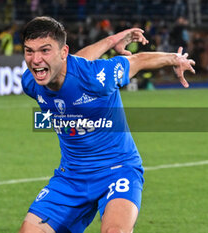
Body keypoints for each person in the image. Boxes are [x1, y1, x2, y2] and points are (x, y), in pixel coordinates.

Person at [19, 16, 195, 233]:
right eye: (29, 51)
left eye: (44, 50)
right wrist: (111, 40)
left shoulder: (96, 78)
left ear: (63, 52)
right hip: (71, 176)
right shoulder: (31, 82)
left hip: (117, 169)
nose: (36, 60)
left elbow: (137, 61)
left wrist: (175, 59)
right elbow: (74, 60)